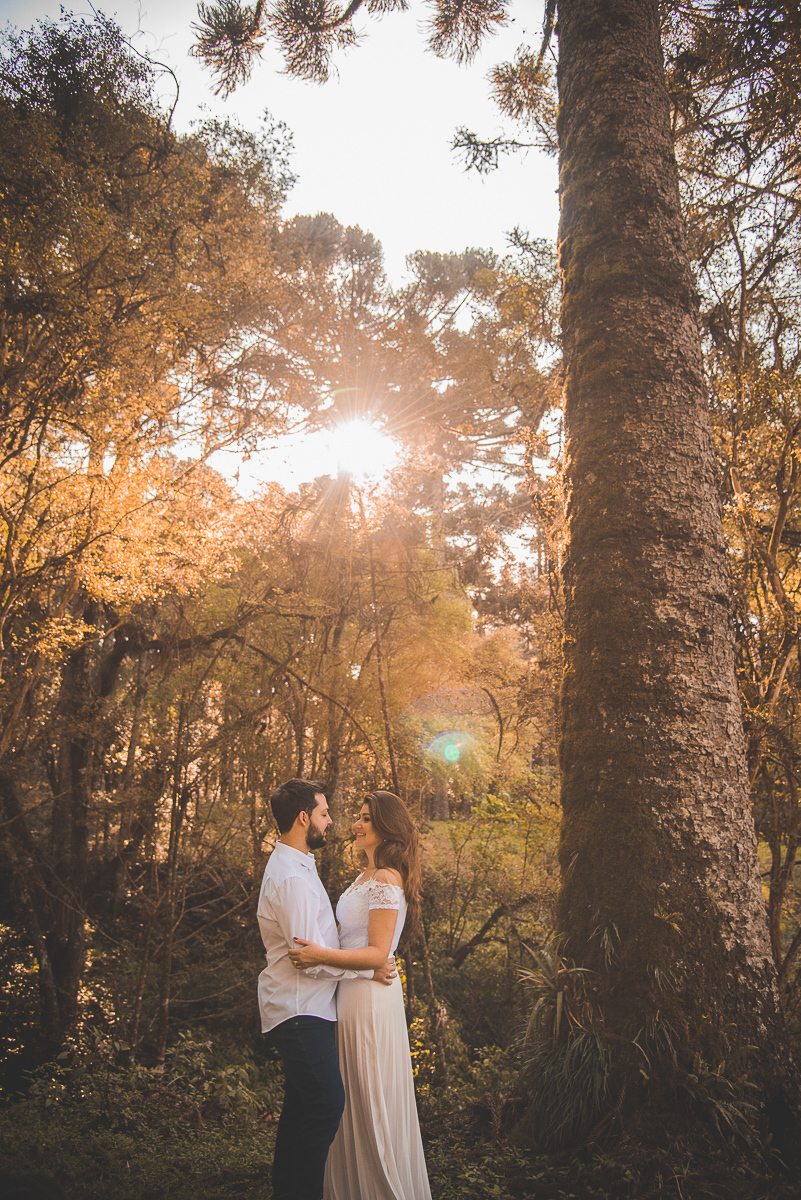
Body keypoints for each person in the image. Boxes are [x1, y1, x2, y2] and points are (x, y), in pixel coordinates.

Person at [289, 790, 432, 1200]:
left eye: (366, 818)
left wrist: (318, 954)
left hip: (370, 1000)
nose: (356, 823)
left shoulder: (386, 879)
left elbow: (377, 952)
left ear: (387, 828)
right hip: (349, 996)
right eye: (358, 816)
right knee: (350, 1102)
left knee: (370, 1103)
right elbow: (358, 944)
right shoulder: (363, 878)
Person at [257, 779, 396, 1200]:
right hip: (300, 1009)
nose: (330, 821)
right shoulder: (293, 878)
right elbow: (308, 959)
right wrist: (363, 972)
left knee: (302, 1106)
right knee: (324, 1104)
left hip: (306, 1007)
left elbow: (318, 949)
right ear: (303, 818)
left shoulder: (298, 866)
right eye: (323, 813)